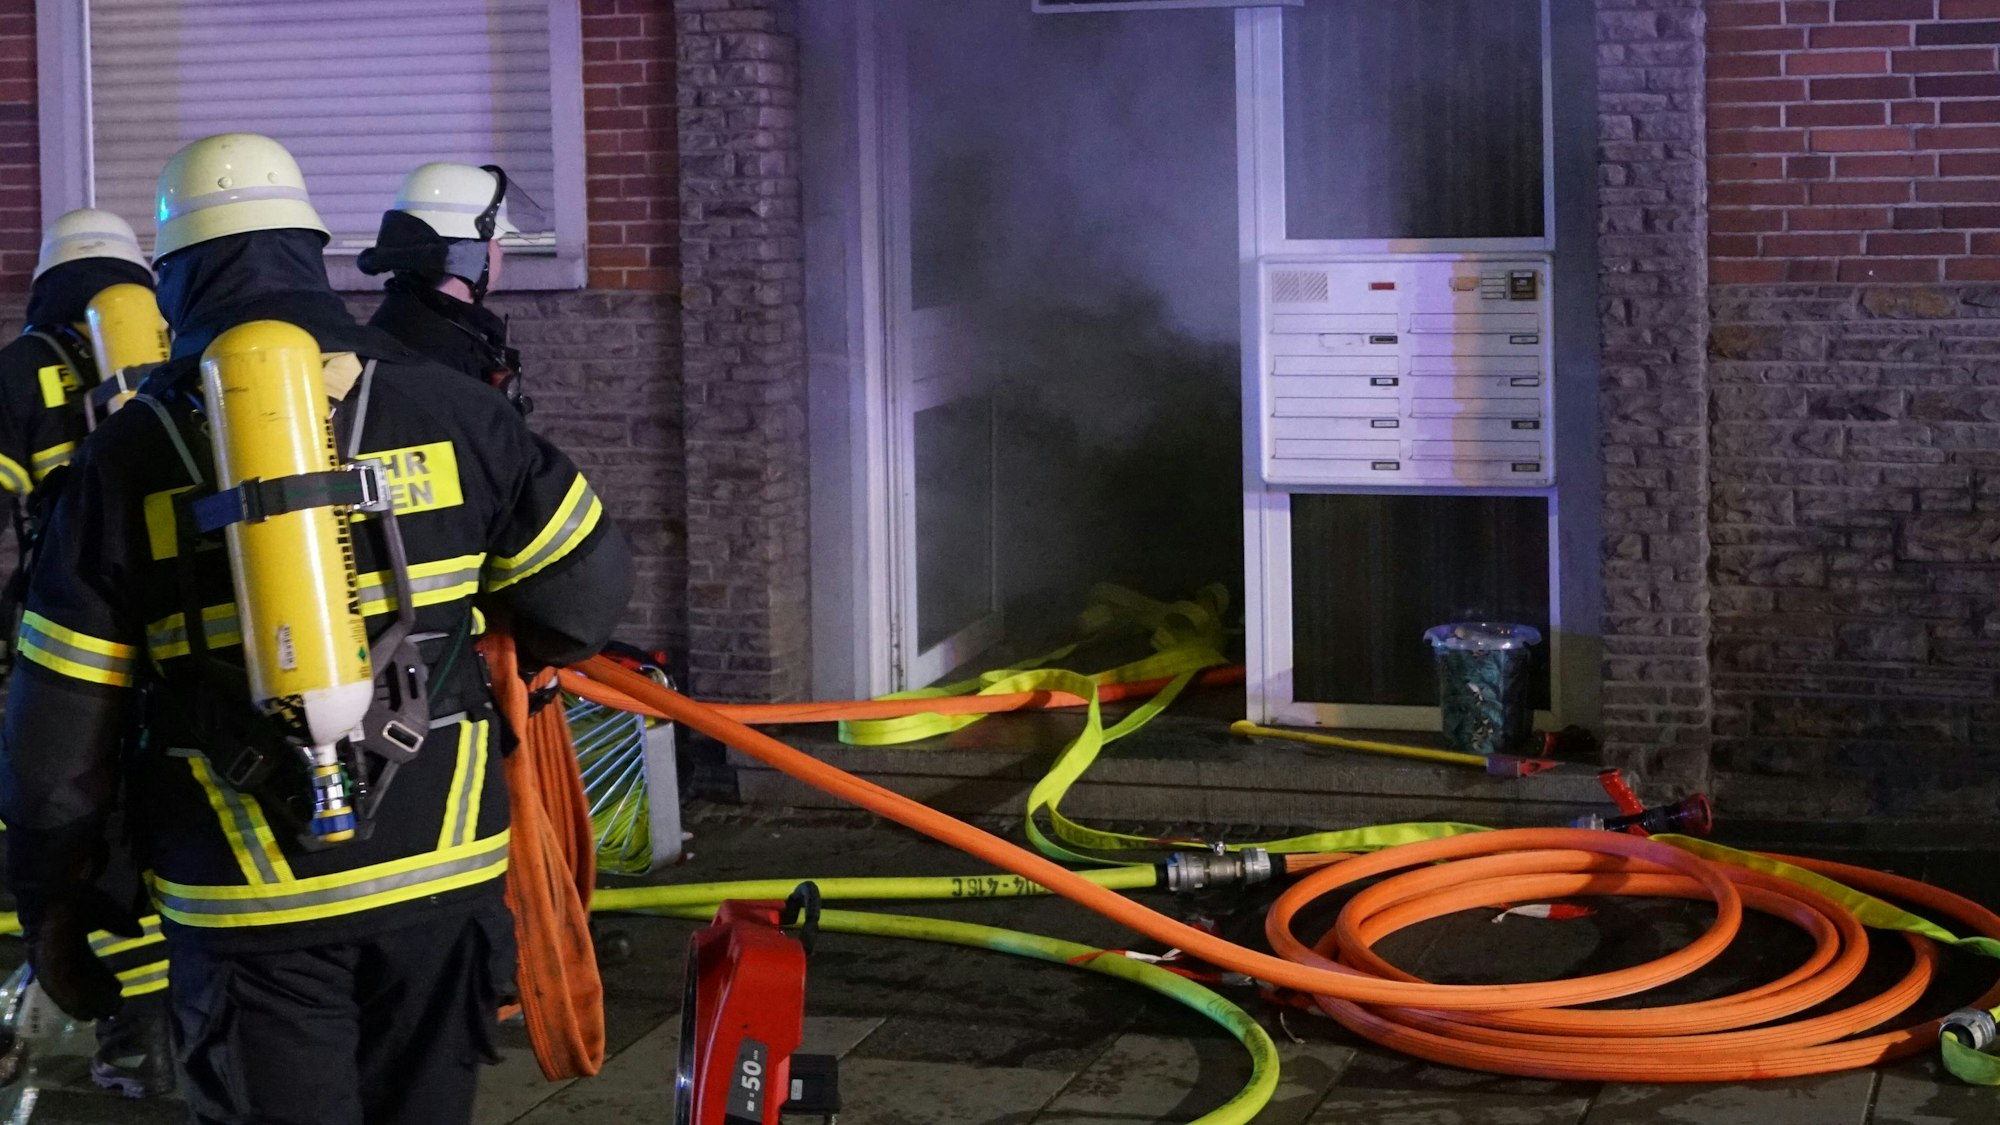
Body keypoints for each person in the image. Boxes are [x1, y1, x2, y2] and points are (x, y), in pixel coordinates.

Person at [0, 133, 632, 1125]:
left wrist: (57, 907)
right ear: (311, 251)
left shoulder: (124, 461)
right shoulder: (457, 409)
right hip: (442, 870)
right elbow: (584, 603)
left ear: (172, 282)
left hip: (247, 908)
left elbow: (54, 743)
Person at [0, 208, 174, 1098]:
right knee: (155, 809)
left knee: (65, 819)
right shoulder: (177, 348)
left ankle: (129, 1028)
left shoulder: (23, 368)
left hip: (67, 634)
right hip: (176, 627)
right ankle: (167, 1026)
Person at [358, 162, 529, 411]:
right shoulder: (439, 348)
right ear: (470, 254)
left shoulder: (408, 320)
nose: (500, 254)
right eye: (497, 242)